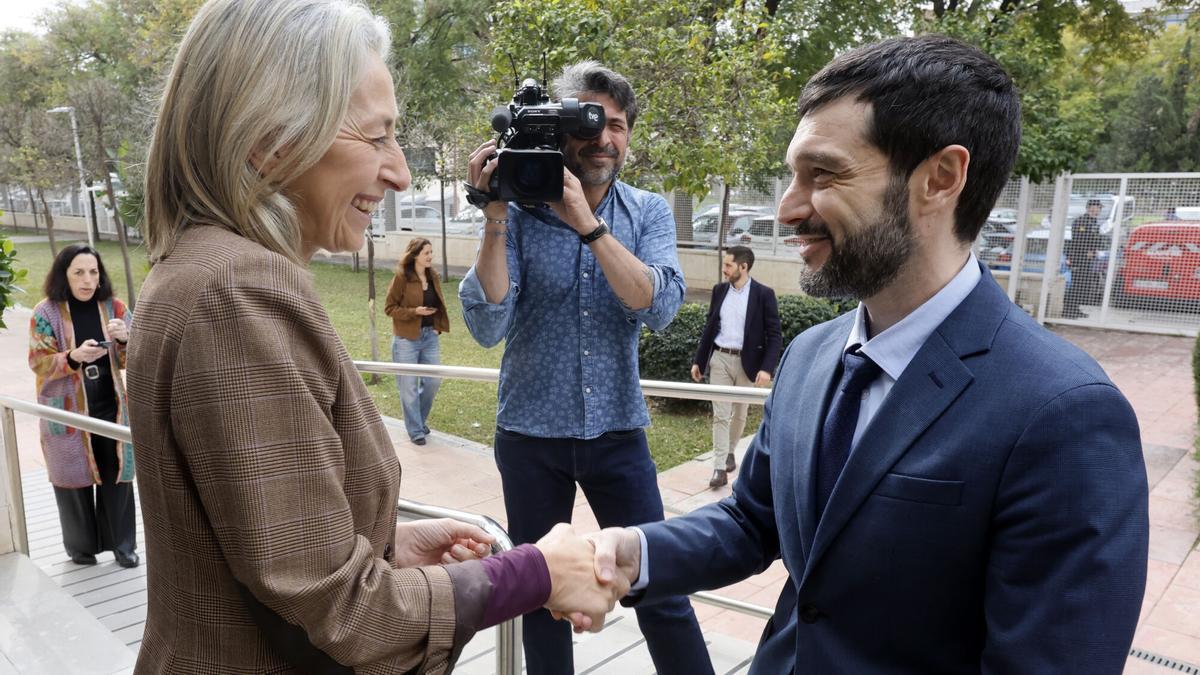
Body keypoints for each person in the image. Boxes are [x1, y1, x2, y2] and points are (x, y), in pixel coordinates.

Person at [590, 35, 1148, 673]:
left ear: (940, 179)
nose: (787, 209)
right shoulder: (809, 356)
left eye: (822, 174)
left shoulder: (1063, 414)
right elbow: (753, 521)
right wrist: (629, 553)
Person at [129, 1, 625, 672]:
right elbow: (344, 613)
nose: (400, 172)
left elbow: (262, 543)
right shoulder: (235, 293)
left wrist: (385, 544)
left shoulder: (203, 272)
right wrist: (535, 573)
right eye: (377, 136)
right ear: (270, 137)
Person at [460, 60, 713, 674]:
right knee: (543, 593)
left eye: (617, 125)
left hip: (618, 434)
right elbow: (488, 323)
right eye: (587, 122)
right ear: (558, 133)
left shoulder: (646, 212)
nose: (603, 138)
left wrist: (585, 222)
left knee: (661, 587)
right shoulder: (516, 212)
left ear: (628, 135)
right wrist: (494, 212)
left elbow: (658, 306)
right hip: (530, 436)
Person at [28, 243, 138, 569]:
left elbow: (134, 357)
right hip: (68, 409)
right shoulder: (45, 312)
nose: (87, 279)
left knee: (117, 475)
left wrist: (125, 339)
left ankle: (123, 546)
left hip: (110, 405)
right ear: (65, 275)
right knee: (72, 481)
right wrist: (73, 357)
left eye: (93, 271)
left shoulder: (115, 307)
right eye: (79, 272)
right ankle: (81, 549)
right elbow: (38, 362)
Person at [689, 245, 781, 488]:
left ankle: (730, 451)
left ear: (744, 266)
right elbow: (710, 327)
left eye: (728, 265)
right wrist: (700, 360)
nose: (724, 269)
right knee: (720, 415)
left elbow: (774, 334)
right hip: (720, 358)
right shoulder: (720, 290)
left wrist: (767, 368)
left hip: (748, 363)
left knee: (740, 413)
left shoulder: (763, 294)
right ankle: (719, 468)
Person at [385, 237, 448, 445]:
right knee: (409, 388)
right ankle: (416, 430)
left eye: (431, 252)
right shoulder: (402, 277)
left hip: (430, 336)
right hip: (406, 339)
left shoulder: (433, 275)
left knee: (433, 380)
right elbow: (390, 308)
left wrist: (437, 326)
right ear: (415, 256)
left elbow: (440, 303)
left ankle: (417, 421)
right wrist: (415, 312)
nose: (430, 256)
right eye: (426, 253)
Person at [1063, 198, 1105, 318]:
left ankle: (1075, 309)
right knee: (1076, 284)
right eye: (1098, 207)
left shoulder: (1094, 222)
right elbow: (1078, 238)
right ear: (1090, 207)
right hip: (1078, 257)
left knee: (1082, 285)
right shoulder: (1081, 221)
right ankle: (1068, 310)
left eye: (1100, 208)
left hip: (1088, 259)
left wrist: (1095, 250)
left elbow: (1095, 239)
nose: (1099, 210)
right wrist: (1087, 251)